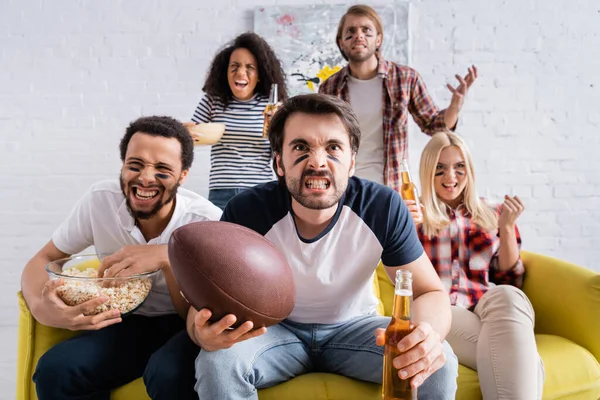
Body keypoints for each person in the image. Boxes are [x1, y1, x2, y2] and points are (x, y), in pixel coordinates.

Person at [187, 93, 459, 399]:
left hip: (358, 331)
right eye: (301, 147)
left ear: (352, 161)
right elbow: (205, 303)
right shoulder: (247, 211)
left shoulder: (381, 207)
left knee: (440, 362)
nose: (317, 161)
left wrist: (426, 335)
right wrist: (201, 333)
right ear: (279, 162)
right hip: (273, 332)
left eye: (333, 148)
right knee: (217, 361)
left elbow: (429, 292)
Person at [21, 116, 222, 400]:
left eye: (163, 169)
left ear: (183, 175)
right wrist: (43, 307)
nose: (146, 178)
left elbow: (202, 310)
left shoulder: (207, 222)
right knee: (56, 371)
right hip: (124, 322)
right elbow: (45, 257)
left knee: (167, 374)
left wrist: (167, 257)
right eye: (135, 165)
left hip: (186, 325)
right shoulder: (100, 201)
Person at [405, 131, 545, 399]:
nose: (451, 177)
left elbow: (509, 276)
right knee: (523, 359)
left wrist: (506, 228)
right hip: (439, 309)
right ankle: (525, 360)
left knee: (509, 295)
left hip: (484, 304)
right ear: (427, 172)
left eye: (459, 167)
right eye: (440, 169)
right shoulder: (415, 213)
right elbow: (402, 276)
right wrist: (405, 229)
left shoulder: (491, 212)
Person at [319, 4, 477, 192]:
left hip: (392, 188)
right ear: (341, 43)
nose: (358, 36)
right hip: (345, 186)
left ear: (378, 40)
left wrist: (455, 107)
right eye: (351, 31)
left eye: (366, 30)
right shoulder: (329, 88)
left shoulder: (405, 78)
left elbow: (435, 126)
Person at [188, 32, 289, 210]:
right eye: (234, 66)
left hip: (260, 191)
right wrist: (182, 132)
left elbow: (283, 155)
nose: (240, 72)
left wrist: (278, 129)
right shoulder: (213, 100)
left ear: (259, 74)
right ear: (225, 72)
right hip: (221, 191)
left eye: (250, 67)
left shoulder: (271, 106)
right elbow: (191, 133)